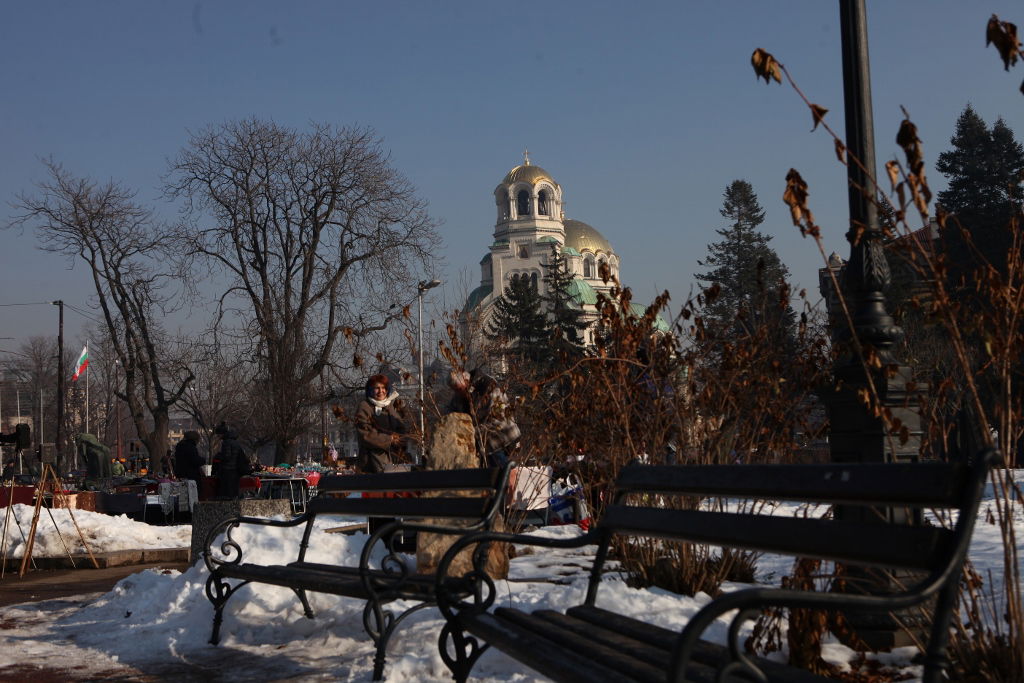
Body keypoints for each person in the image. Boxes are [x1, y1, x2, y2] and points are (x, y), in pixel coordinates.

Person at [448, 368, 520, 467]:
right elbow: (450, 415)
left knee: (503, 471)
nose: (458, 393)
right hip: (482, 444)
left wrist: (469, 433)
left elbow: (500, 420)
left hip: (503, 438)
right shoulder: (458, 397)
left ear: (466, 381)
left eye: (460, 389)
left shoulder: (489, 387)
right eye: (455, 390)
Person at [353, 374, 412, 473]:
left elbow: (401, 428)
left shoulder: (389, 406)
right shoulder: (365, 406)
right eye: (377, 388)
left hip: (393, 461)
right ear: (370, 390)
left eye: (383, 388)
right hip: (370, 465)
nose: (381, 391)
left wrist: (400, 439)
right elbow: (365, 435)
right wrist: (389, 439)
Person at [211, 422, 251, 499]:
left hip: (228, 471)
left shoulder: (226, 442)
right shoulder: (235, 442)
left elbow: (227, 456)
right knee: (233, 493)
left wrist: (219, 457)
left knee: (226, 494)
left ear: (222, 433)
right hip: (235, 471)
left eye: (218, 434)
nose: (218, 436)